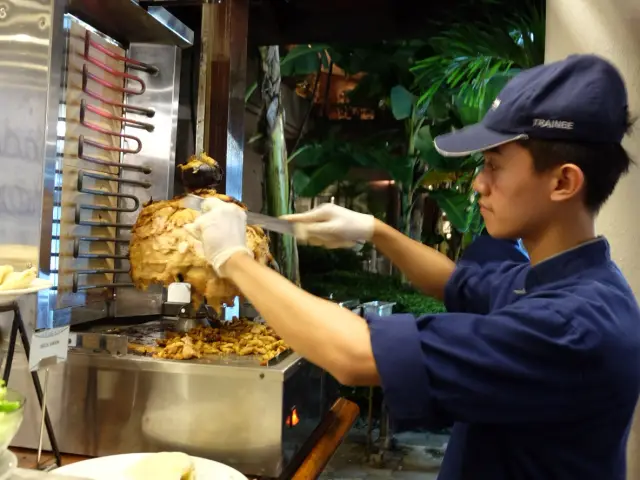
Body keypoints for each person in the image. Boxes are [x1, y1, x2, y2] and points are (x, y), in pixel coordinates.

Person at [189, 54, 640, 479]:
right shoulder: (559, 279)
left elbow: (355, 356)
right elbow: (455, 281)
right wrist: (373, 231)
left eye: (494, 166)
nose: (479, 184)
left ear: (563, 181)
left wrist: (235, 260)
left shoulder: (572, 327)